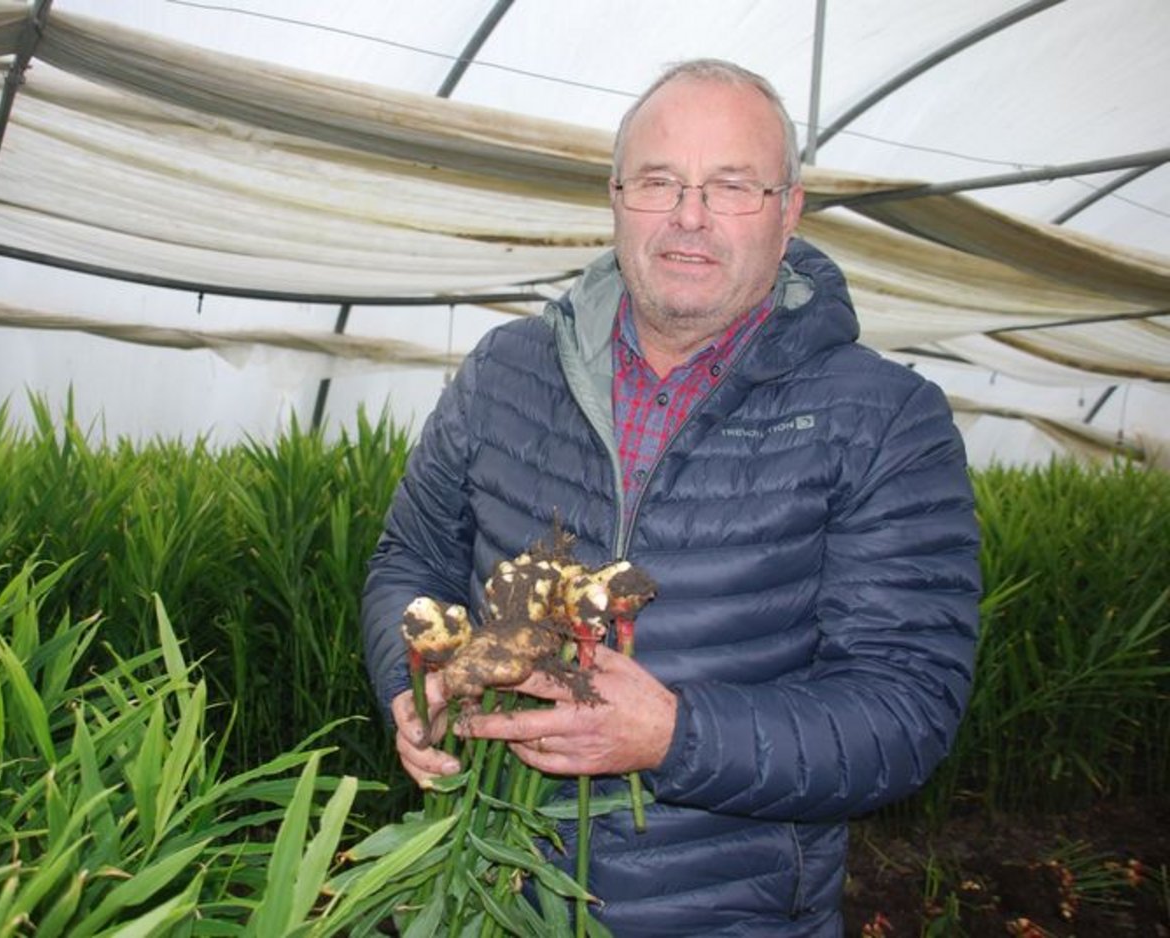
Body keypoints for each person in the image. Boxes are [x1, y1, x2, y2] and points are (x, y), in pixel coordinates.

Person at [361, 58, 981, 936]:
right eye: (660, 182)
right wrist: (415, 672)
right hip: (489, 891)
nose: (690, 216)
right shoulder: (506, 372)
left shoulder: (883, 418)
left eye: (732, 186)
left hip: (732, 915)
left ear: (788, 210)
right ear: (616, 197)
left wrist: (673, 737)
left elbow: (905, 708)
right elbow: (409, 562)